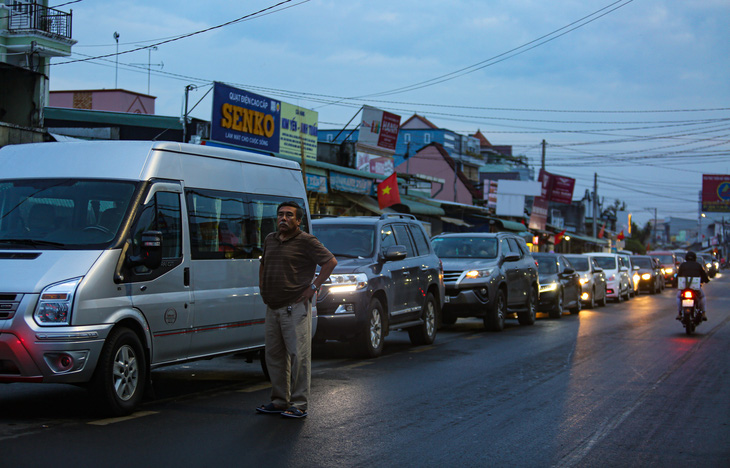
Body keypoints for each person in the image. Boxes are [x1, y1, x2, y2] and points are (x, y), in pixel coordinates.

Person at [256, 201, 337, 419]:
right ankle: (280, 400)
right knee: (274, 356)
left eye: (289, 215)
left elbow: (330, 262)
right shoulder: (270, 239)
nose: (283, 218)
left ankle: (299, 404)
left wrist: (314, 286)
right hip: (272, 306)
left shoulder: (306, 241)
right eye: (280, 214)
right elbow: (263, 263)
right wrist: (262, 286)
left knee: (298, 356)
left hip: (295, 306)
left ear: (298, 220)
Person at [676, 251, 709, 321]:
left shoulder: (682, 265)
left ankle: (679, 313)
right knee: (702, 297)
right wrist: (706, 280)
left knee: (678, 296)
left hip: (684, 288)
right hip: (695, 288)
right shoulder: (698, 265)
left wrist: (675, 282)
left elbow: (678, 276)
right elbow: (704, 276)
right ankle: (703, 313)